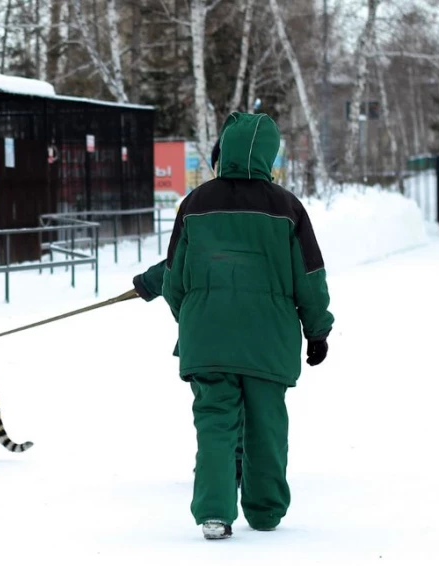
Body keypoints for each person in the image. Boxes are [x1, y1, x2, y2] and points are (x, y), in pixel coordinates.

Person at [161, 112, 333, 540]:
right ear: (268, 155)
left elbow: (173, 279)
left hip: (207, 339)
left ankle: (215, 513)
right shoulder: (288, 208)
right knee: (266, 424)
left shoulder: (195, 203)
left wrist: (194, 318)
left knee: (215, 424)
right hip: (268, 341)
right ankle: (265, 509)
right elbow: (309, 277)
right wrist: (317, 329)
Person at [132, 139, 245, 490]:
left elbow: (180, 263)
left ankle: (221, 470)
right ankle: (242, 465)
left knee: (215, 408)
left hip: (207, 331)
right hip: (259, 331)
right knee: (250, 401)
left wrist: (151, 285)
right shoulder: (275, 204)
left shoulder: (201, 202)